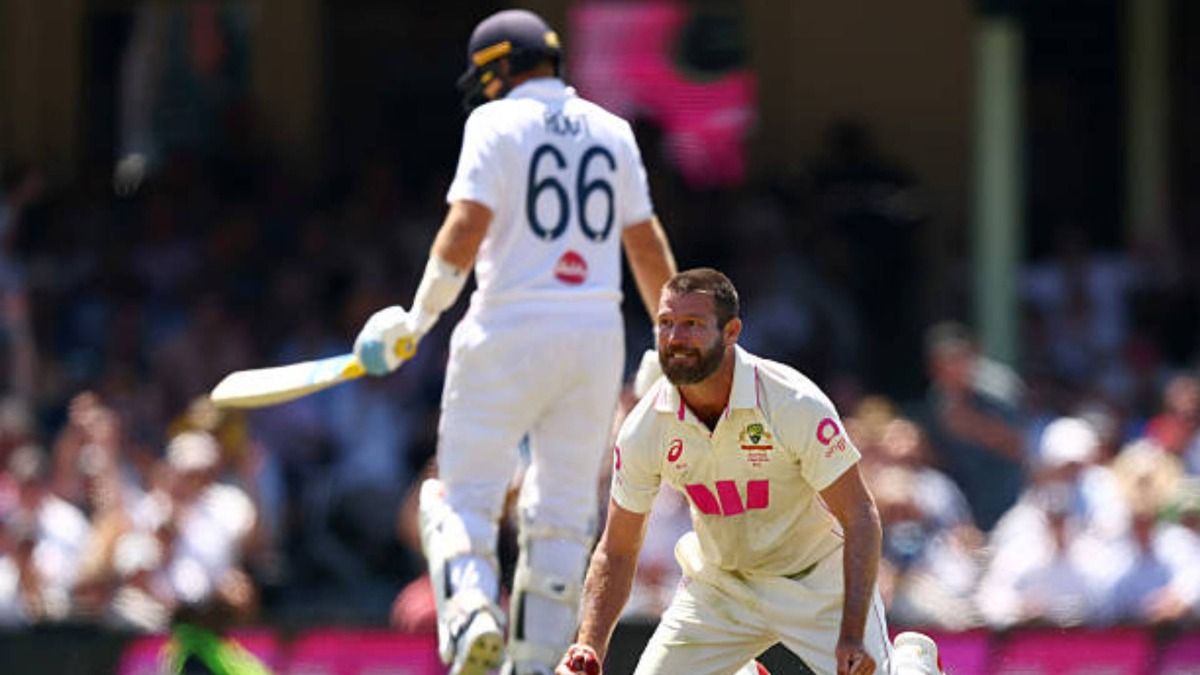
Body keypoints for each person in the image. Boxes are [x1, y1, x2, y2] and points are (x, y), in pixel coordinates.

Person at [352, 9, 676, 675]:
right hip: (594, 334)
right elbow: (644, 245)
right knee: (560, 515)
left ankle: (472, 611)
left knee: (454, 496)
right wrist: (674, 343)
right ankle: (537, 664)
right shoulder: (612, 131)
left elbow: (465, 226)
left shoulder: (494, 122)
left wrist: (417, 318)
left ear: (499, 68)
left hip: (507, 327)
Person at [556, 269, 941, 675]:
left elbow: (860, 516)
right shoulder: (644, 427)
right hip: (721, 587)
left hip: (814, 581)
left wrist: (850, 633)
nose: (675, 339)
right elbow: (617, 550)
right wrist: (587, 649)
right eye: (666, 324)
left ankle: (911, 661)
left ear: (731, 331)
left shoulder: (792, 401)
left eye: (693, 325)